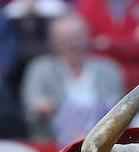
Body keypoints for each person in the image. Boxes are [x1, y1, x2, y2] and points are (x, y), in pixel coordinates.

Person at [19, 12, 125, 144]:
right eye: (65, 38)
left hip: (102, 143)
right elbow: (30, 105)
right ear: (53, 42)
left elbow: (121, 110)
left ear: (88, 38)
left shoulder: (108, 69)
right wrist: (42, 106)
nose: (72, 43)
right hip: (53, 146)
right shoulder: (40, 69)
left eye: (77, 37)